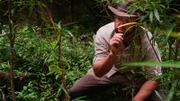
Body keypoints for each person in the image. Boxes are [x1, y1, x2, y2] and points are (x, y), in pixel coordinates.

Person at [68, 1, 166, 101]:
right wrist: (112, 54)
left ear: (137, 23)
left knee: (161, 98)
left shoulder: (146, 38)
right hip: (110, 71)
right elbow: (98, 72)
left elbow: (154, 78)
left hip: (135, 75)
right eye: (119, 18)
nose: (121, 25)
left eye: (128, 21)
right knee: (74, 92)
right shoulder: (104, 32)